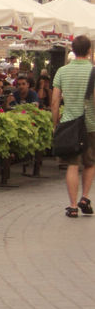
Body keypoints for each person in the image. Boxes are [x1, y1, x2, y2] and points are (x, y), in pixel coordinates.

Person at [51, 35, 95, 218]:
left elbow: (54, 102)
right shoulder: (93, 71)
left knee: (72, 164)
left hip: (69, 123)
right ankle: (84, 197)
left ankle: (72, 206)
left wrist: (55, 123)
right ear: (89, 51)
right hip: (91, 124)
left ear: (72, 51)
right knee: (90, 163)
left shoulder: (62, 71)